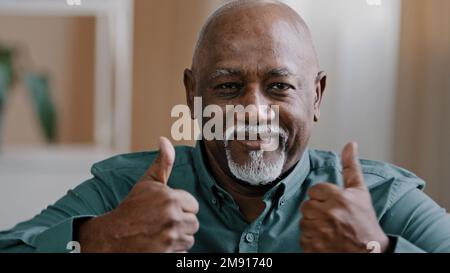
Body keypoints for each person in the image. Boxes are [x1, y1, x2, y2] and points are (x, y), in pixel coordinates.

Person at [1, 0, 449, 253]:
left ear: (316, 95)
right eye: (229, 86)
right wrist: (94, 241)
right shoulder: (125, 191)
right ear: (193, 94)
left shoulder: (379, 200)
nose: (254, 109)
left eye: (278, 86)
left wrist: (378, 249)